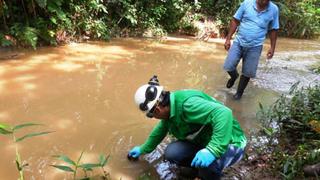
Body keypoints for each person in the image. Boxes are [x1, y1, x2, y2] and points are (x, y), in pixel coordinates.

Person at [128, 75, 247, 179]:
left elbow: (224, 113)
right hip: (205, 140)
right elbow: (161, 129)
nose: (153, 118)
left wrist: (212, 150)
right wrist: (143, 149)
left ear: (158, 110)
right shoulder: (170, 108)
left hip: (232, 143)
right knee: (172, 153)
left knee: (209, 165)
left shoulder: (188, 105)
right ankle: (199, 167)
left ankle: (208, 174)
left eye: (151, 115)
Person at [223, 0, 279, 100]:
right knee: (229, 66)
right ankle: (234, 76)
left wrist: (272, 47)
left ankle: (238, 94)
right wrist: (228, 38)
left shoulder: (274, 9)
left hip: (255, 46)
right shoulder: (246, 3)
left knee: (248, 72)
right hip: (239, 42)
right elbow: (235, 20)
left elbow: (273, 29)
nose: (263, 1)